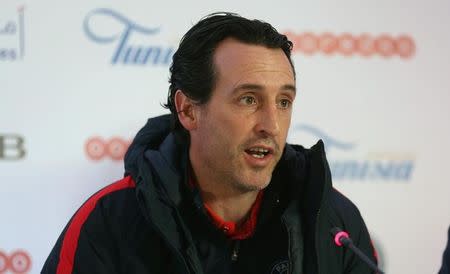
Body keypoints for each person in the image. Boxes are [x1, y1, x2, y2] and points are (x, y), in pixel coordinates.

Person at [41, 12, 378, 274]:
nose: (271, 126)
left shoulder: (334, 219)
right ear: (188, 110)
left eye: (284, 102)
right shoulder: (107, 223)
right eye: (248, 100)